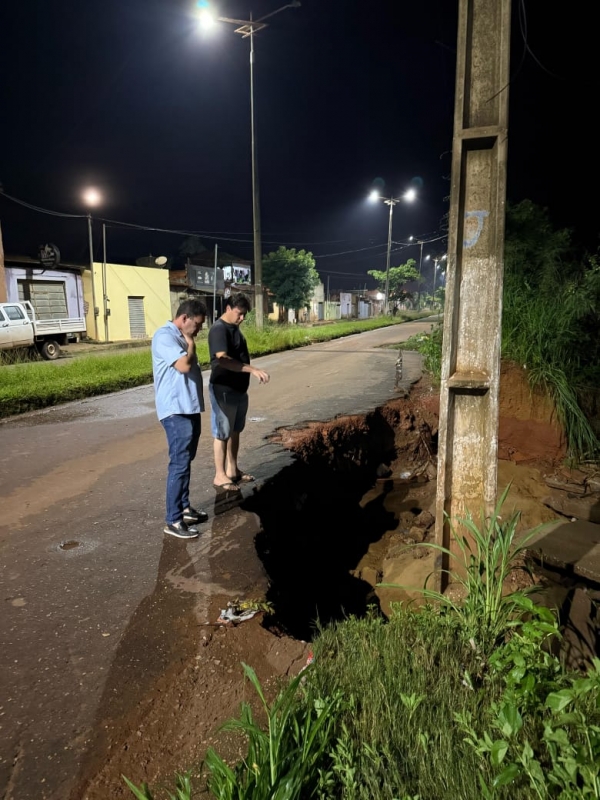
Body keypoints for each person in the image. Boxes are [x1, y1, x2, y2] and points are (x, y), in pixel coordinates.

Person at [152, 298, 209, 538]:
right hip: (175, 410)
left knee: (186, 460)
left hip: (189, 407)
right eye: (196, 324)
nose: (198, 329)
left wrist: (189, 342)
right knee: (179, 463)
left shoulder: (180, 336)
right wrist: (191, 345)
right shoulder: (164, 336)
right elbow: (185, 365)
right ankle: (173, 520)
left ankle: (184, 508)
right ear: (184, 318)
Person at [208, 293, 270, 491]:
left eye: (244, 315)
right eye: (239, 313)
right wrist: (252, 370)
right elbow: (223, 359)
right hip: (223, 389)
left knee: (235, 430)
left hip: (238, 389)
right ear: (228, 308)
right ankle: (220, 475)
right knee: (222, 432)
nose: (242, 318)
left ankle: (232, 470)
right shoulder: (219, 329)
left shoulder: (234, 328)